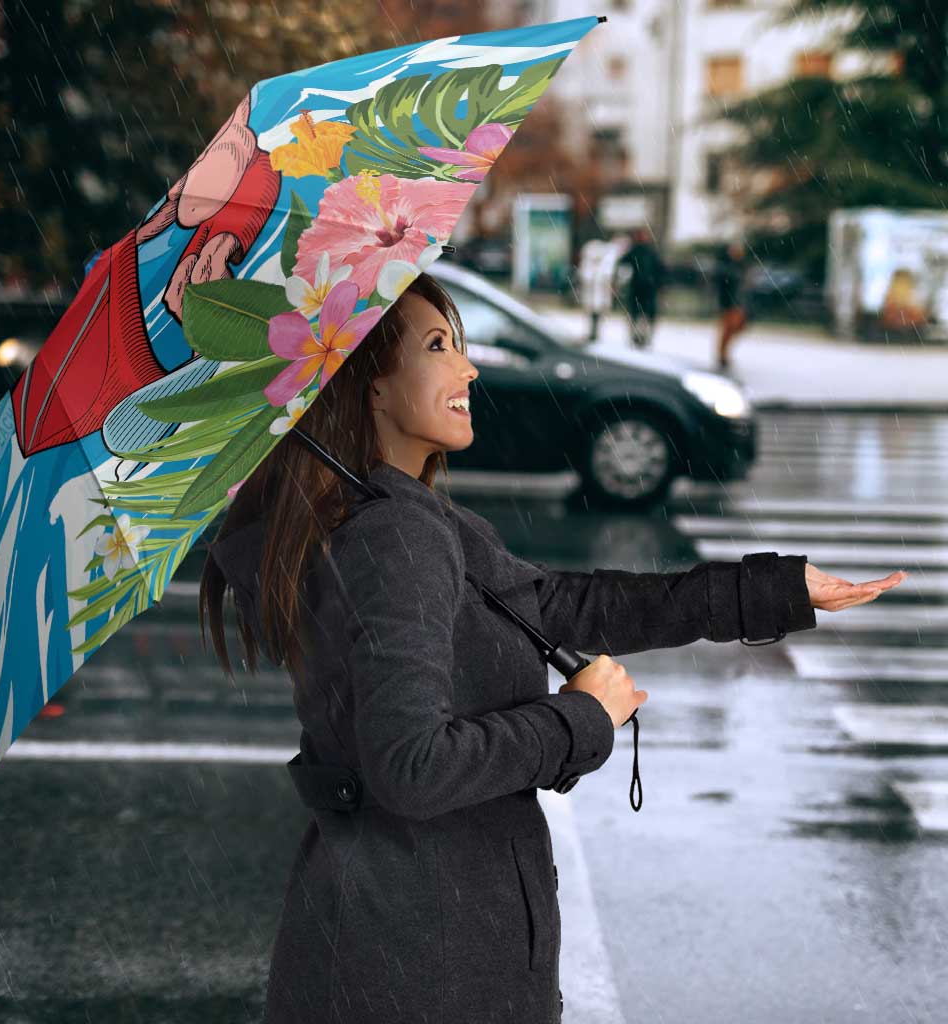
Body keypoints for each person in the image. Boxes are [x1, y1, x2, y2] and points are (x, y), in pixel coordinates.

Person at [200, 272, 904, 1024]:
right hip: (424, 964)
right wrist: (579, 719)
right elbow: (412, 768)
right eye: (438, 347)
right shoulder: (395, 536)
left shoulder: (393, 518)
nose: (469, 369)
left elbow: (563, 606)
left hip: (399, 942)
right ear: (370, 383)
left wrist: (773, 591)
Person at [616, 226, 666, 349]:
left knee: (643, 315)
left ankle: (643, 337)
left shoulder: (648, 252)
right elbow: (622, 263)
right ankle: (637, 337)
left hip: (646, 289)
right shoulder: (638, 251)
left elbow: (660, 270)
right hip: (640, 288)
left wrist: (659, 284)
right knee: (638, 314)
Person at [714, 239, 750, 371]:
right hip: (729, 303)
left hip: (738, 303)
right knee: (728, 329)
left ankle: (723, 354)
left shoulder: (740, 266)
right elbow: (723, 286)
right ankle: (722, 355)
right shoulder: (726, 267)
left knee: (736, 327)